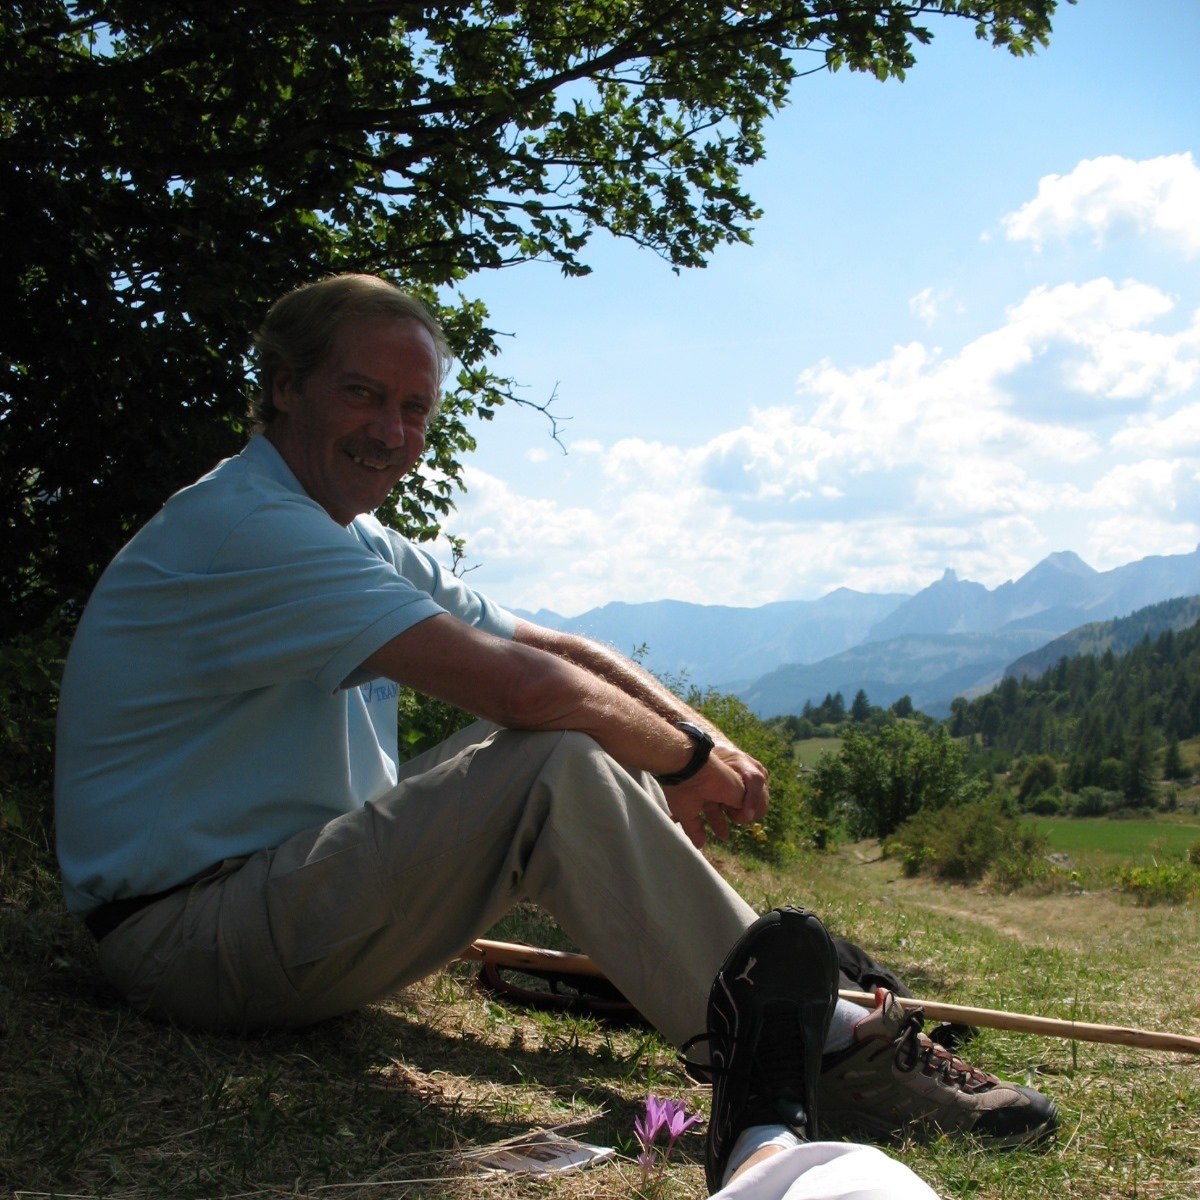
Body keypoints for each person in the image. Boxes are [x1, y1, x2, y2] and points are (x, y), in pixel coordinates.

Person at [54, 274, 1055, 1196]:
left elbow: (553, 642)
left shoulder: (344, 533)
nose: (394, 432)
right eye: (363, 395)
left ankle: (796, 998)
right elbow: (524, 688)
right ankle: (817, 1049)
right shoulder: (248, 529)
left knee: (560, 751)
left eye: (415, 410)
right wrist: (688, 761)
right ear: (282, 388)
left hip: (272, 900)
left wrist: (698, 734)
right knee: (550, 758)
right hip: (186, 938)